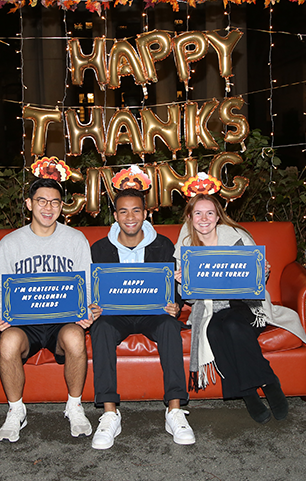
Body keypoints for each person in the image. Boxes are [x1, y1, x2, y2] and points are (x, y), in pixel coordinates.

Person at [173, 178, 306, 424]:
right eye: (198, 213)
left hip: (244, 304)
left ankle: (268, 383)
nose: (204, 219)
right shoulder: (184, 246)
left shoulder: (237, 236)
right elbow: (191, 299)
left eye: (210, 213)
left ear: (218, 215)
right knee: (215, 329)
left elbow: (254, 284)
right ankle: (249, 394)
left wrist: (262, 271)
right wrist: (183, 283)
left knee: (233, 325)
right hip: (209, 308)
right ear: (190, 217)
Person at [0, 162, 99, 443]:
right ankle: (16, 410)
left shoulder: (75, 240)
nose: (48, 208)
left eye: (55, 203)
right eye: (41, 201)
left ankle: (74, 406)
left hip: (63, 320)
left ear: (63, 207)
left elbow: (87, 283)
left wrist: (88, 311)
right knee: (8, 342)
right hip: (25, 322)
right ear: (29, 204)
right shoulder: (10, 244)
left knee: (75, 337)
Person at [89, 186, 194, 450]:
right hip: (116, 315)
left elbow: (174, 287)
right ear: (115, 215)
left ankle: (174, 410)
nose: (130, 216)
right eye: (123, 211)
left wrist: (175, 305)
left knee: (170, 326)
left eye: (136, 210)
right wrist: (93, 305)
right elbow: (92, 288)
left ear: (145, 213)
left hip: (152, 313)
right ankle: (110, 413)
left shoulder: (162, 245)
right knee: (100, 328)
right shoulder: (99, 248)